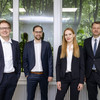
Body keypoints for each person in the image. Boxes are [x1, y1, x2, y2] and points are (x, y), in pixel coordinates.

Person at [23, 25, 53, 100]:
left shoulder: (47, 45)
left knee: (44, 96)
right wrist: (26, 73)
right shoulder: (27, 45)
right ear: (33, 33)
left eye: (40, 32)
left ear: (42, 33)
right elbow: (25, 59)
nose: (38, 34)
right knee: (30, 97)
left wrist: (50, 75)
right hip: (31, 75)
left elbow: (50, 60)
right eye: (36, 32)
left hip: (44, 75)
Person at [55, 28, 84, 100]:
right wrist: (58, 80)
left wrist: (81, 81)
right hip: (63, 77)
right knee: (58, 98)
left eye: (70, 34)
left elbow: (82, 66)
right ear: (64, 37)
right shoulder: (61, 48)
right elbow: (58, 65)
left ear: (74, 35)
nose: (68, 36)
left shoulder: (79, 48)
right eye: (66, 35)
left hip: (75, 78)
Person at [0, 20, 21, 100]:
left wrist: (17, 75)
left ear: (10, 30)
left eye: (6, 28)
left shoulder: (15, 44)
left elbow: (18, 60)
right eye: (2, 28)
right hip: (1, 77)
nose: (4, 30)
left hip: (12, 77)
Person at [84, 21, 100, 100]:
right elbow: (84, 59)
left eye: (98, 28)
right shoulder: (86, 41)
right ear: (91, 29)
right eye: (94, 28)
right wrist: (84, 74)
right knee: (92, 97)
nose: (96, 30)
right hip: (90, 75)